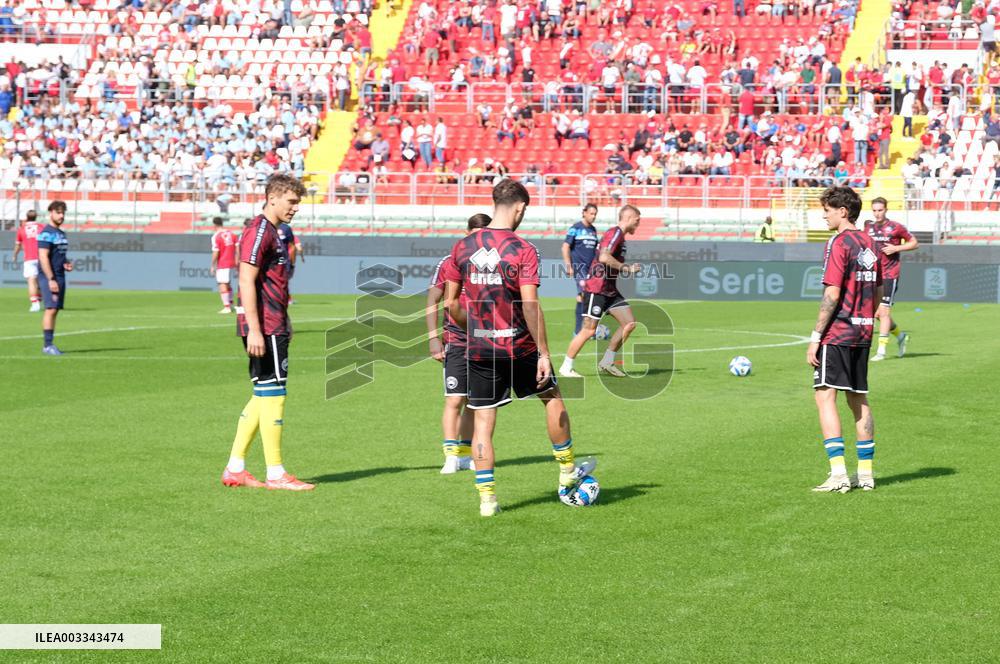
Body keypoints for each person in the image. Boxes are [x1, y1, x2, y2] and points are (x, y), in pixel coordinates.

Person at [442, 179, 595, 517]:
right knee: (552, 398)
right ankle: (568, 472)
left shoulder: (462, 247)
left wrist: (475, 329)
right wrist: (543, 352)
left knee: (483, 420)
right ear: (520, 207)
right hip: (519, 344)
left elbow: (450, 303)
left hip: (479, 348)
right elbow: (530, 304)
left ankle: (487, 501)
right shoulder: (522, 248)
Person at [221, 174, 314, 491]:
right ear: (273, 197)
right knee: (275, 396)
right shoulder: (259, 231)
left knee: (263, 394)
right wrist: (256, 330)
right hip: (264, 326)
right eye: (292, 201)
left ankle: (236, 468)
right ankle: (276, 473)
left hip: (274, 322)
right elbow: (245, 280)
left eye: (298, 203)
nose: (295, 208)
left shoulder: (275, 232)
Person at [807, 186, 882, 493]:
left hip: (838, 332)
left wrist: (815, 336)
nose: (823, 215)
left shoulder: (838, 242)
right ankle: (865, 474)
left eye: (827, 210)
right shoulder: (870, 242)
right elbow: (877, 292)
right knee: (858, 398)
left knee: (825, 396)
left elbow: (832, 293)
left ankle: (838, 474)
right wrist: (864, 318)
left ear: (843, 212)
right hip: (863, 331)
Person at [426, 213, 492, 474]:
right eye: (476, 235)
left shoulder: (492, 262)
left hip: (486, 340)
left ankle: (466, 454)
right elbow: (433, 300)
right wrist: (433, 338)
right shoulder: (450, 261)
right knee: (455, 398)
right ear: (467, 233)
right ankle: (451, 455)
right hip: (456, 339)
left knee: (478, 402)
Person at [559, 205, 643, 378]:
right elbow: (604, 257)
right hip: (597, 288)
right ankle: (566, 366)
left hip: (610, 290)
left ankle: (607, 361)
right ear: (628, 218)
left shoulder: (620, 237)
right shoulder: (615, 233)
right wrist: (626, 268)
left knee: (629, 323)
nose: (638, 224)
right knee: (589, 330)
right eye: (637, 220)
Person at [863, 197, 917, 361]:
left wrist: (896, 247)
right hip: (873, 274)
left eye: (880, 210)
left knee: (884, 312)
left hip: (889, 274)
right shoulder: (867, 227)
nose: (877, 213)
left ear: (886, 210)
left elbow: (914, 243)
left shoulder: (896, 227)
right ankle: (901, 336)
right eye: (874, 210)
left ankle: (881, 351)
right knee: (878, 314)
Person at [36, 201, 72, 355]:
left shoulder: (61, 233)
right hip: (49, 276)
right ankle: (47, 345)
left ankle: (49, 344)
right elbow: (43, 257)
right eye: (58, 212)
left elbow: (58, 255)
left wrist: (65, 262)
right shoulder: (46, 233)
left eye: (63, 212)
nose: (61, 215)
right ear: (50, 213)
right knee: (50, 309)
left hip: (59, 275)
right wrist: (51, 279)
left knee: (55, 309)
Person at [561, 203, 600, 334]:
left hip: (591, 270)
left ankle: (586, 328)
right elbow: (565, 246)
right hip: (579, 268)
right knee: (583, 294)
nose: (593, 216)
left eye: (595, 214)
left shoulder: (593, 230)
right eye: (591, 213)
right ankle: (579, 330)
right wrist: (568, 265)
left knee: (587, 297)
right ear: (584, 213)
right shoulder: (575, 228)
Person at [12, 210, 43, 312]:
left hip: (29, 258)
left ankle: (35, 304)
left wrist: (15, 255)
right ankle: (40, 297)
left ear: (27, 217)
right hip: (41, 257)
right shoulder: (41, 227)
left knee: (31, 280)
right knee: (40, 280)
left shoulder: (21, 229)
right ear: (36, 217)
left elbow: (18, 244)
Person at [210, 217, 238, 314]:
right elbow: (238, 248)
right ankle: (231, 304)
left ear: (214, 225)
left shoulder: (216, 236)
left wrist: (213, 265)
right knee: (228, 283)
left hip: (223, 263)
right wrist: (237, 261)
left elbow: (216, 252)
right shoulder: (232, 234)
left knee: (222, 284)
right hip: (232, 263)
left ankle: (227, 307)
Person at [276, 221, 303, 305]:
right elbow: (298, 248)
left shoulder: (286, 228)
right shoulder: (266, 226)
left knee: (283, 280)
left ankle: (284, 299)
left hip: (282, 259)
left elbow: (293, 246)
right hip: (271, 259)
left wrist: (292, 262)